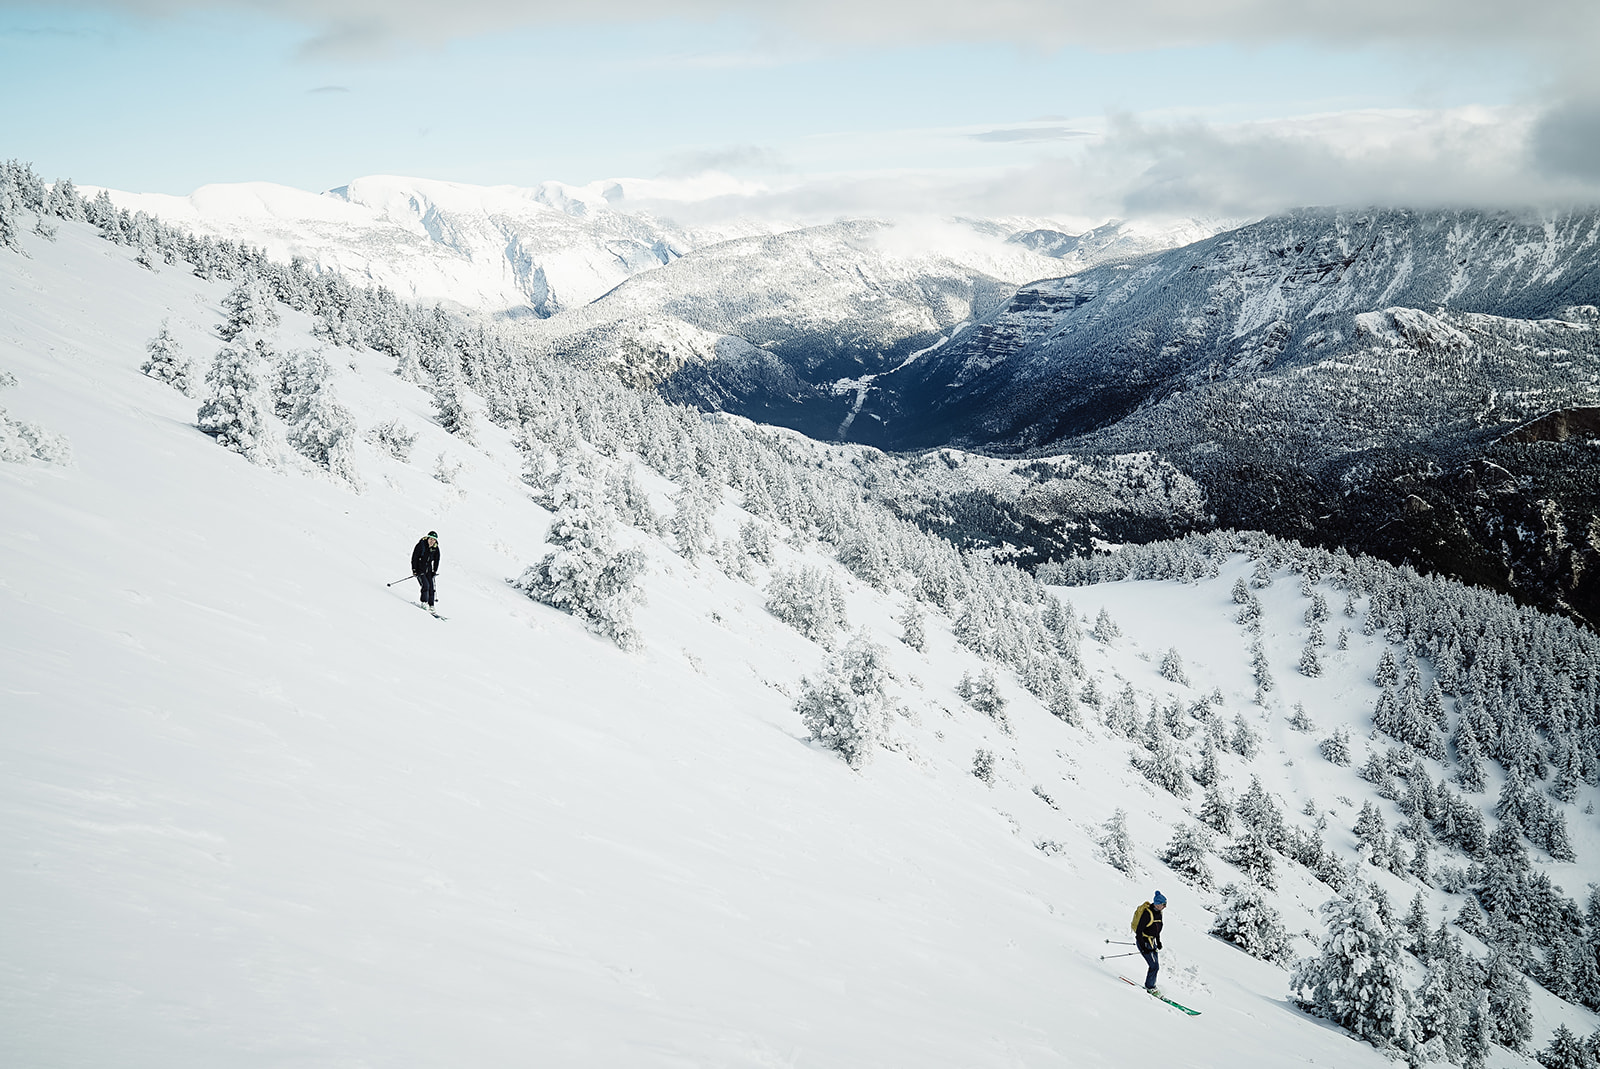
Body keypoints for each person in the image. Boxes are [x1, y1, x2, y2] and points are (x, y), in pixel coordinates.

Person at [1132, 891, 1167, 993]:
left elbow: (1157, 929)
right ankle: (1150, 987)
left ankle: (1151, 985)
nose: (1165, 907)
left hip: (1152, 942)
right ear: (1157, 904)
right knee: (1154, 966)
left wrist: (1158, 941)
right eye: (1163, 904)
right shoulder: (1147, 914)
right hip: (1144, 941)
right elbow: (1139, 932)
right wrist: (1143, 948)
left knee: (1156, 966)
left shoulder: (1159, 913)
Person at [411, 531, 440, 611]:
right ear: (428, 538)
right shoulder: (421, 545)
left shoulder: (435, 548)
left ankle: (431, 605)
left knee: (431, 586)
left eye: (434, 540)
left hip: (429, 570)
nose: (432, 541)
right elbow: (414, 558)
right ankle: (424, 602)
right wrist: (414, 569)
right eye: (431, 539)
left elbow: (437, 560)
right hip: (420, 569)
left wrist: (434, 570)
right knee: (426, 585)